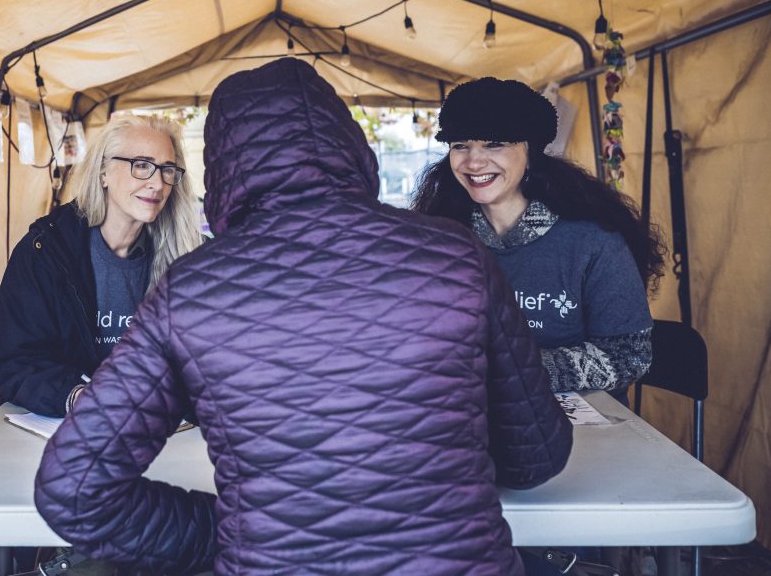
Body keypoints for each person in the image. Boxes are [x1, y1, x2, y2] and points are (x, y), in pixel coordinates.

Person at [34, 58, 572, 575]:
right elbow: (537, 456)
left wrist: (233, 531)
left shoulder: (191, 288)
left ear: (222, 164)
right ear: (350, 143)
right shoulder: (457, 256)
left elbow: (75, 489)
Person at [413, 77, 666, 405]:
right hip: (471, 419)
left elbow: (630, 356)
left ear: (530, 152)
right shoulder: (443, 238)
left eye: (494, 144)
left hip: (585, 431)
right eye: (460, 144)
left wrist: (517, 370)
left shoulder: (592, 242)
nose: (473, 161)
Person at [0, 115, 202, 418]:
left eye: (167, 169)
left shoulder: (186, 256)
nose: (157, 183)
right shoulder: (46, 252)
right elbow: (12, 365)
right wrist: (78, 396)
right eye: (141, 165)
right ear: (103, 172)